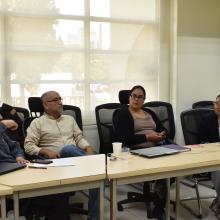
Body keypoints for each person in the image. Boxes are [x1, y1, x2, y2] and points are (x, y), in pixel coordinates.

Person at [24, 90, 99, 220]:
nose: (60, 102)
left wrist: (87, 147)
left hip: (77, 161)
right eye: (55, 100)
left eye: (60, 99)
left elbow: (79, 138)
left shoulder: (69, 119)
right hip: (55, 163)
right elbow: (28, 146)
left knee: (98, 178)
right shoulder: (37, 123)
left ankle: (94, 217)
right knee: (68, 149)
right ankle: (96, 163)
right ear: (45, 105)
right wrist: (45, 151)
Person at [114, 85, 169, 220]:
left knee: (174, 167)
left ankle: (158, 194)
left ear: (144, 100)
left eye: (140, 97)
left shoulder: (149, 112)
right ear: (129, 97)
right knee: (165, 169)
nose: (136, 99)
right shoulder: (123, 113)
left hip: (157, 147)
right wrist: (147, 137)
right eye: (134, 96)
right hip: (136, 151)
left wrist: (162, 134)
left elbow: (164, 129)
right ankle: (159, 207)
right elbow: (123, 137)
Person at [202, 94, 220, 219]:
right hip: (211, 157)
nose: (218, 106)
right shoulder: (207, 119)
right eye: (216, 103)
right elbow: (202, 141)